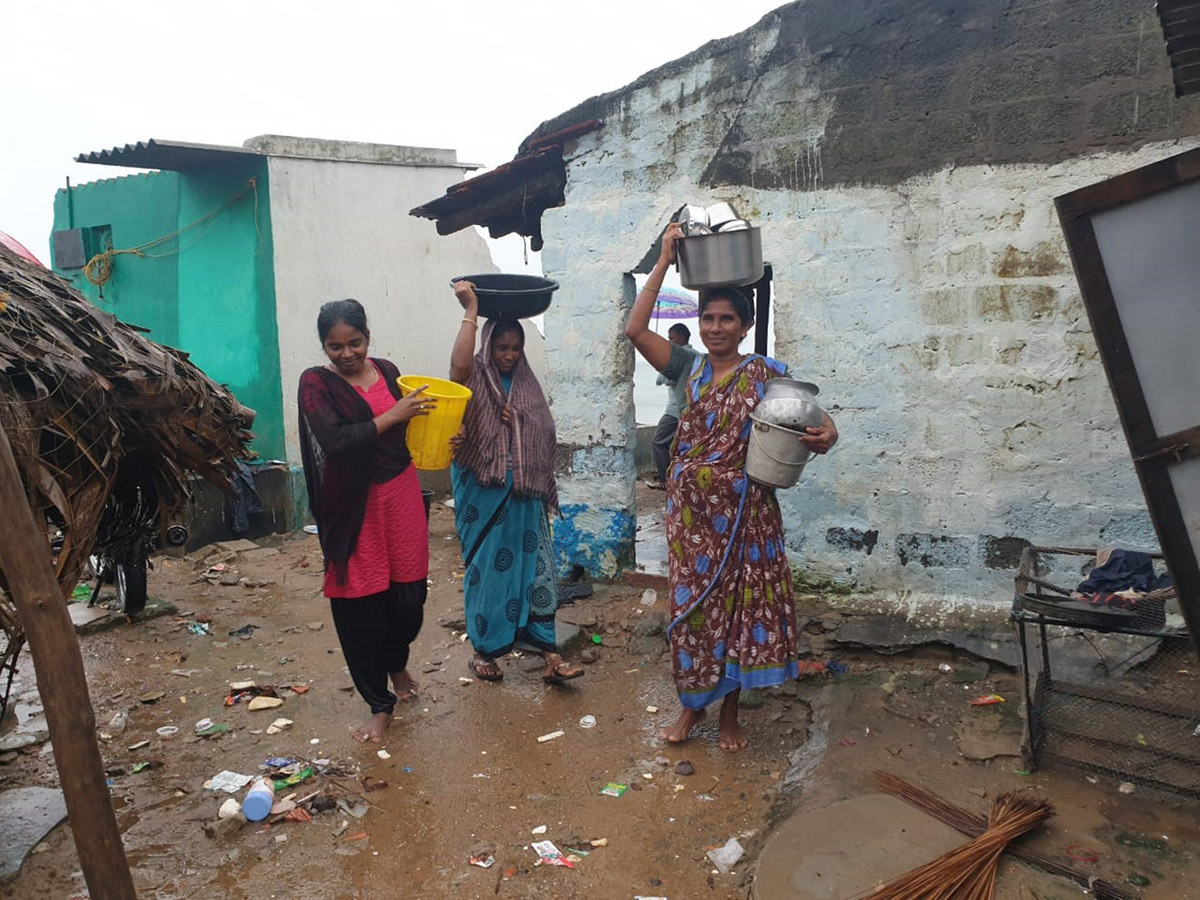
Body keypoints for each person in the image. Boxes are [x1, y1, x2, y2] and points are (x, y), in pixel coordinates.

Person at [624, 222, 839, 751]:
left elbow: (809, 413)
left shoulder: (764, 375)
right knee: (694, 614)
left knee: (740, 614)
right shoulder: (686, 369)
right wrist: (664, 260)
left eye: (727, 319)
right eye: (708, 318)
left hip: (746, 517)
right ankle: (690, 710)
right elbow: (634, 329)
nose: (716, 327)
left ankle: (729, 716)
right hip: (692, 523)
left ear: (743, 328)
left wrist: (828, 431)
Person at [297, 299, 433, 743]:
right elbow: (335, 441)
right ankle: (379, 703)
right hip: (352, 506)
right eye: (335, 346)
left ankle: (397, 664)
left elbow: (408, 430)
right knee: (361, 604)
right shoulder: (316, 383)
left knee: (407, 597)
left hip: (400, 493)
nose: (347, 353)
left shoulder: (389, 371)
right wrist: (394, 414)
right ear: (324, 346)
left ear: (368, 338)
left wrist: (448, 432)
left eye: (354, 342)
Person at [448, 281, 584, 685]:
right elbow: (457, 365)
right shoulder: (471, 375)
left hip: (525, 499)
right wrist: (471, 309)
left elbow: (545, 432)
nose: (508, 355)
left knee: (537, 570)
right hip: (484, 495)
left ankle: (549, 653)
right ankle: (484, 651)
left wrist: (520, 423)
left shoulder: (527, 385)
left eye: (515, 348)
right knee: (489, 573)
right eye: (500, 347)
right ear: (487, 345)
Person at [646, 323, 698, 490]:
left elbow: (662, 380)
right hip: (691, 410)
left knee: (659, 442)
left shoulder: (681, 356)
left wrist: (661, 361)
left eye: (671, 338)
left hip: (676, 410)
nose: (669, 342)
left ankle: (665, 481)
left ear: (682, 338)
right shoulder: (697, 356)